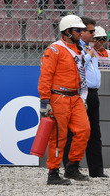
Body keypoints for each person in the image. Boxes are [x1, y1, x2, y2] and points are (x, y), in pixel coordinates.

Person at [38, 15, 91, 185]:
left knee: (84, 131)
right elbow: (45, 76)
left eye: (82, 30)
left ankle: (72, 167)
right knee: (58, 137)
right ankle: (53, 173)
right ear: (68, 32)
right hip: (58, 97)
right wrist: (45, 100)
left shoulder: (78, 50)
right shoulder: (54, 50)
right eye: (78, 30)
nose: (81, 33)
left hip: (75, 97)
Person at [62, 16, 106, 178]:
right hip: (81, 93)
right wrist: (87, 56)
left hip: (93, 93)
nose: (93, 34)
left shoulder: (88, 47)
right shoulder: (75, 48)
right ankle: (71, 167)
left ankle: (97, 170)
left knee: (95, 133)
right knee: (75, 132)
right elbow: (75, 65)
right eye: (90, 31)